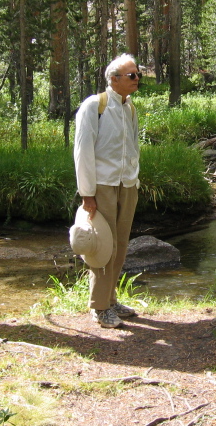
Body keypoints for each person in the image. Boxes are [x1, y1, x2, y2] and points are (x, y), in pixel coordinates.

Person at [74, 53, 141, 328]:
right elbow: (82, 151)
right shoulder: (94, 106)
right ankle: (100, 308)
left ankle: (111, 300)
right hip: (101, 186)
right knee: (103, 247)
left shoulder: (130, 108)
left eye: (138, 74)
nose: (137, 79)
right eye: (132, 75)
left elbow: (133, 147)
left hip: (127, 185)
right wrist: (87, 193)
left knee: (121, 246)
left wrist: (135, 180)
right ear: (114, 79)